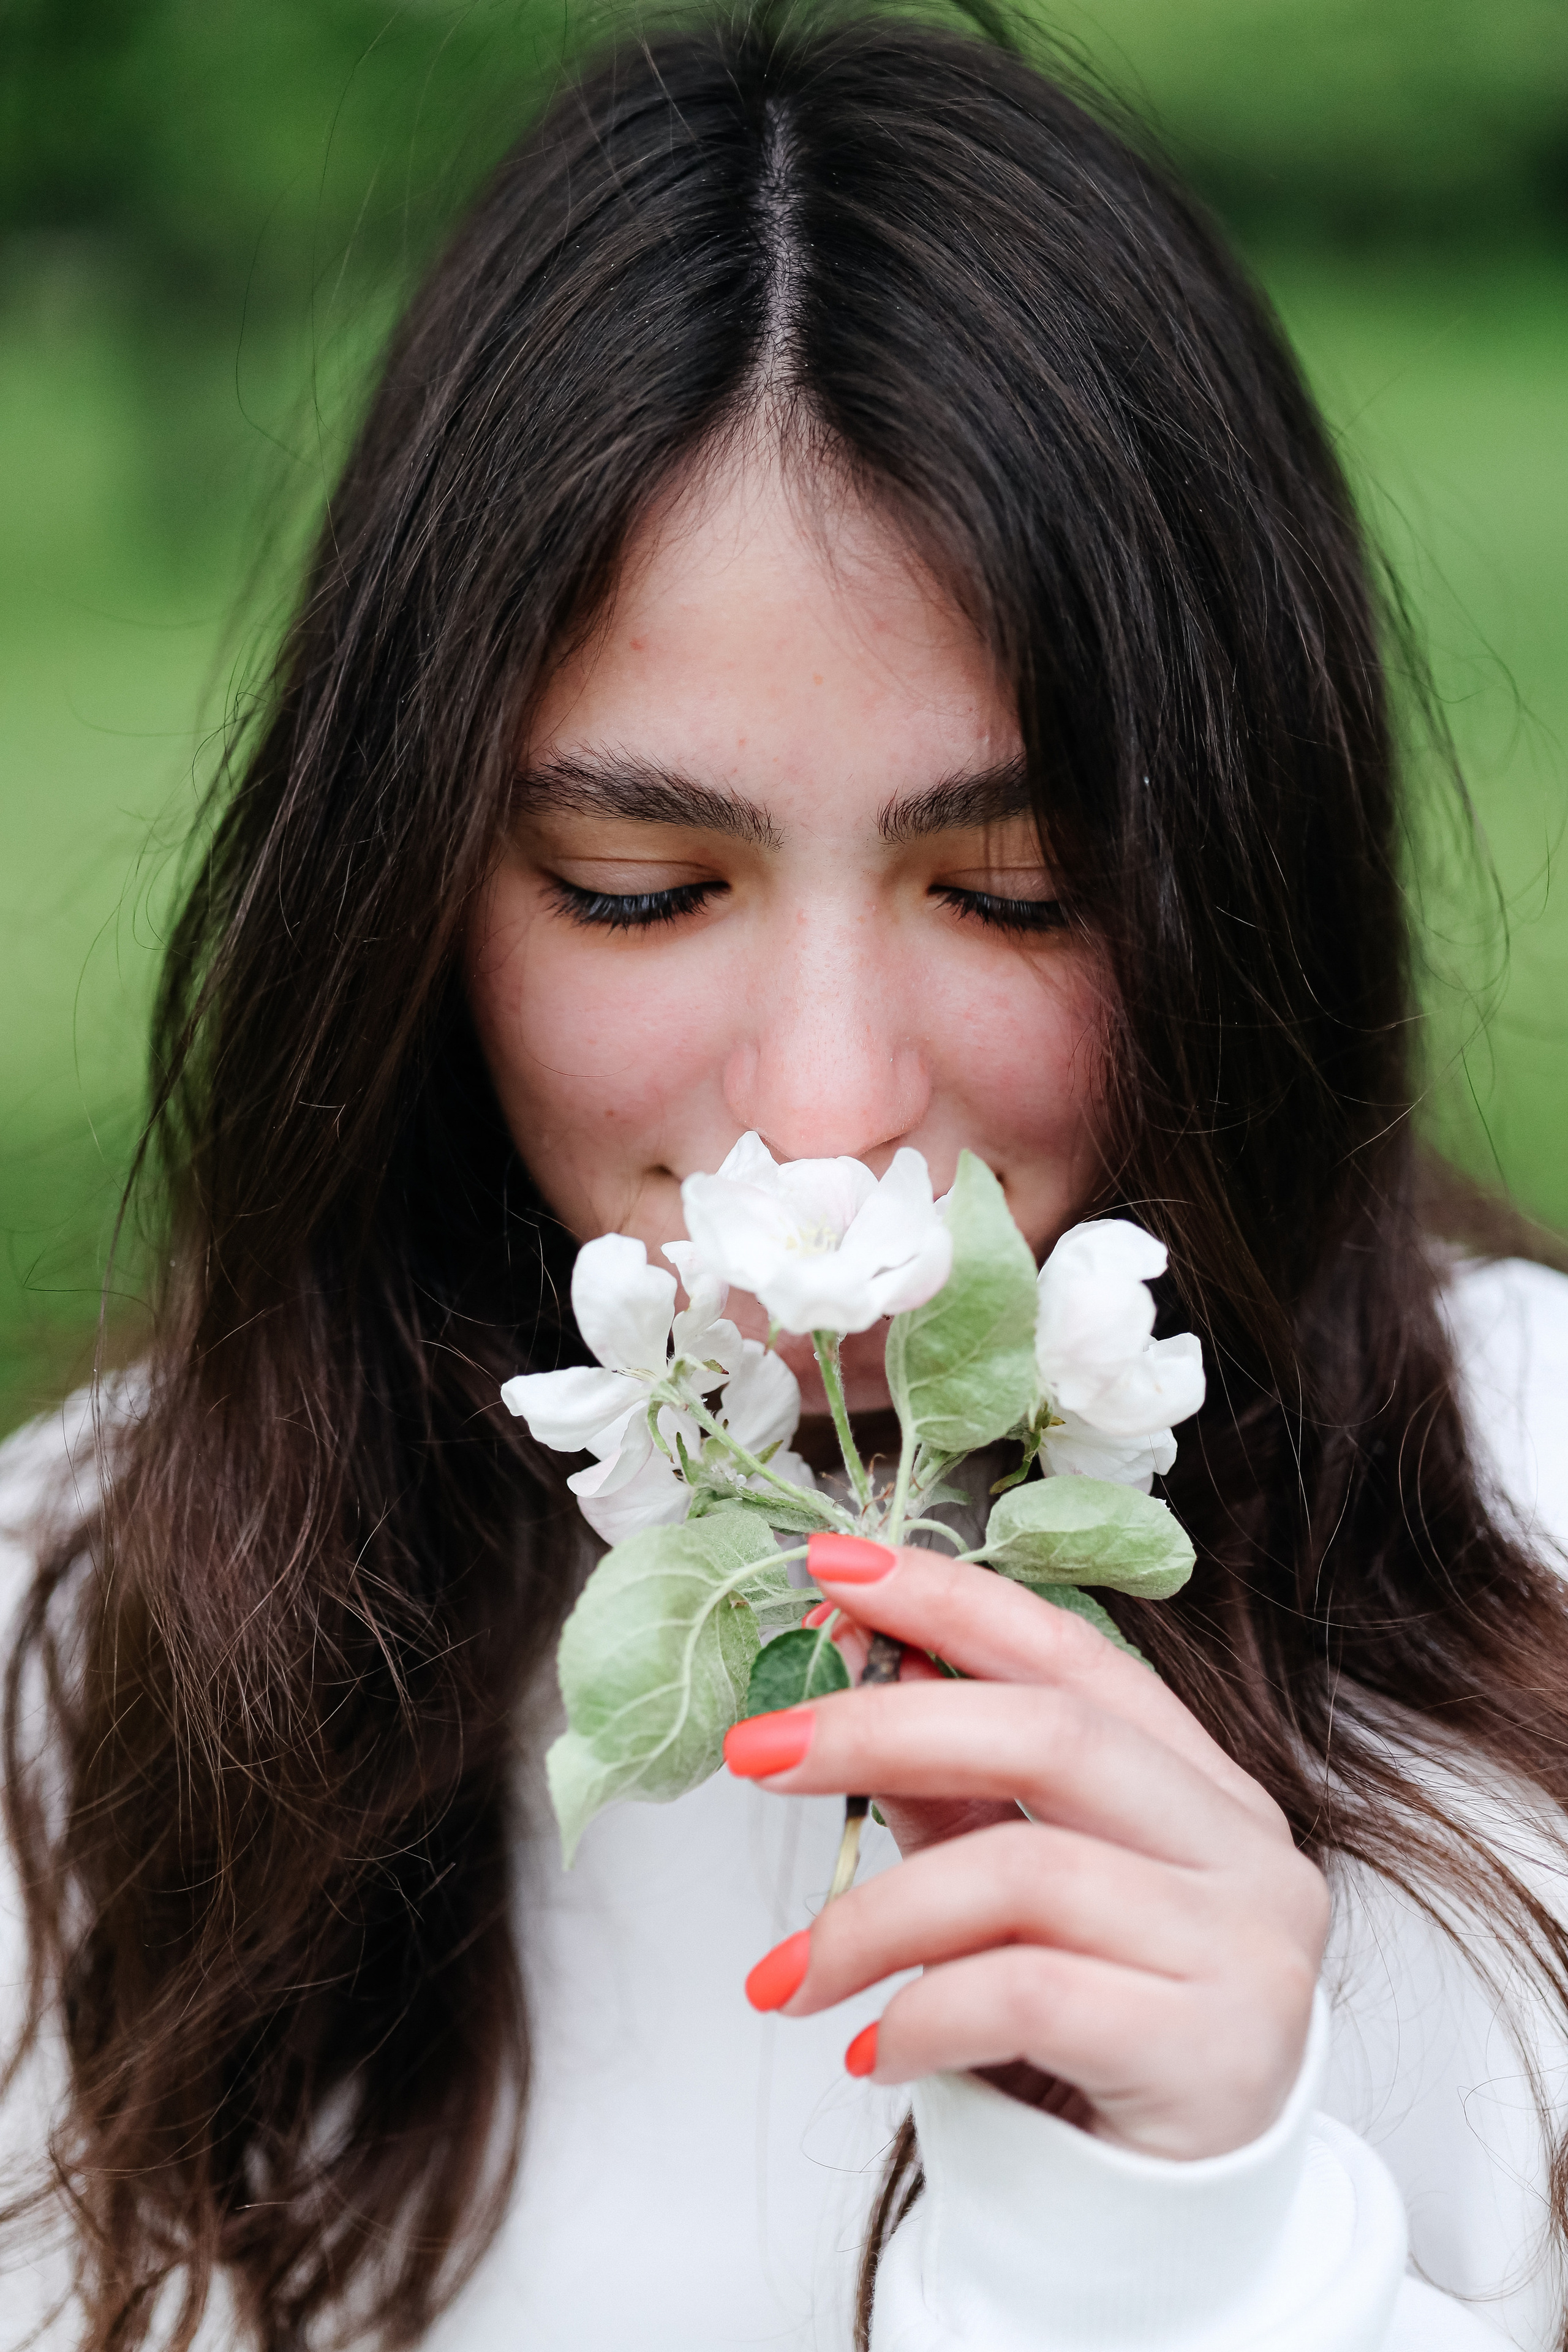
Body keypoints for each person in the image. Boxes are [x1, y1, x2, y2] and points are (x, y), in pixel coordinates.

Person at [4, 8, 1568, 2347]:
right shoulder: (81, 1655)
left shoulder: (1544, 1536)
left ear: (1242, 886)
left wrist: (1211, 2249)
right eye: (639, 886)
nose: (827, 1119)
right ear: (411, 897)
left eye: (1019, 889)